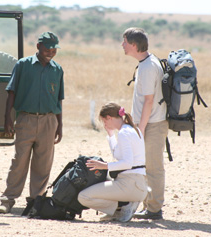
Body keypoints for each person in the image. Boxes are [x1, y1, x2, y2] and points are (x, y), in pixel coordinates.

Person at [0, 32, 64, 214]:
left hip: (49, 121)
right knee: (19, 161)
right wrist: (7, 117)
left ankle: (36, 202)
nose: (50, 52)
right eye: (47, 48)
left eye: (54, 49)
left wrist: (60, 125)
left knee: (43, 164)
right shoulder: (23, 65)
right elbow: (11, 92)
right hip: (25, 119)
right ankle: (7, 200)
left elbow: (59, 100)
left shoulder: (57, 69)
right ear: (38, 47)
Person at [122, 27, 168, 220]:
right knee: (147, 166)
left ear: (133, 45)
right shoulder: (146, 63)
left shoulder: (148, 67)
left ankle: (154, 209)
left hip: (152, 125)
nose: (122, 45)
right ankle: (149, 206)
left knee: (153, 168)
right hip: (150, 123)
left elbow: (149, 100)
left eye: (124, 42)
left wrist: (140, 128)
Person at [77, 102, 147, 223]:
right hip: (138, 184)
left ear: (109, 118)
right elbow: (118, 155)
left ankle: (121, 209)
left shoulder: (124, 133)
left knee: (83, 196)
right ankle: (124, 206)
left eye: (104, 121)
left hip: (130, 184)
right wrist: (110, 135)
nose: (105, 124)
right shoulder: (133, 129)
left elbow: (127, 163)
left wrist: (104, 166)